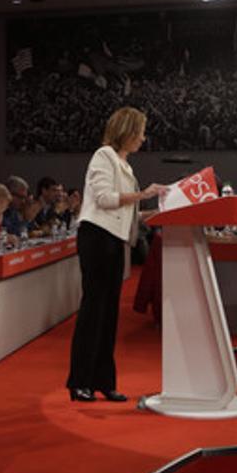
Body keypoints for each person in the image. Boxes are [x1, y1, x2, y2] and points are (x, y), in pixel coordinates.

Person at [67, 106, 165, 403]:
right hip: (97, 238)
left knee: (109, 313)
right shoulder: (104, 155)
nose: (143, 138)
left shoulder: (125, 165)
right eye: (141, 131)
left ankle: (103, 381)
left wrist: (155, 211)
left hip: (115, 240)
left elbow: (125, 210)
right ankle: (79, 381)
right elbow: (104, 199)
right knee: (93, 310)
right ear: (128, 130)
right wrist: (144, 194)